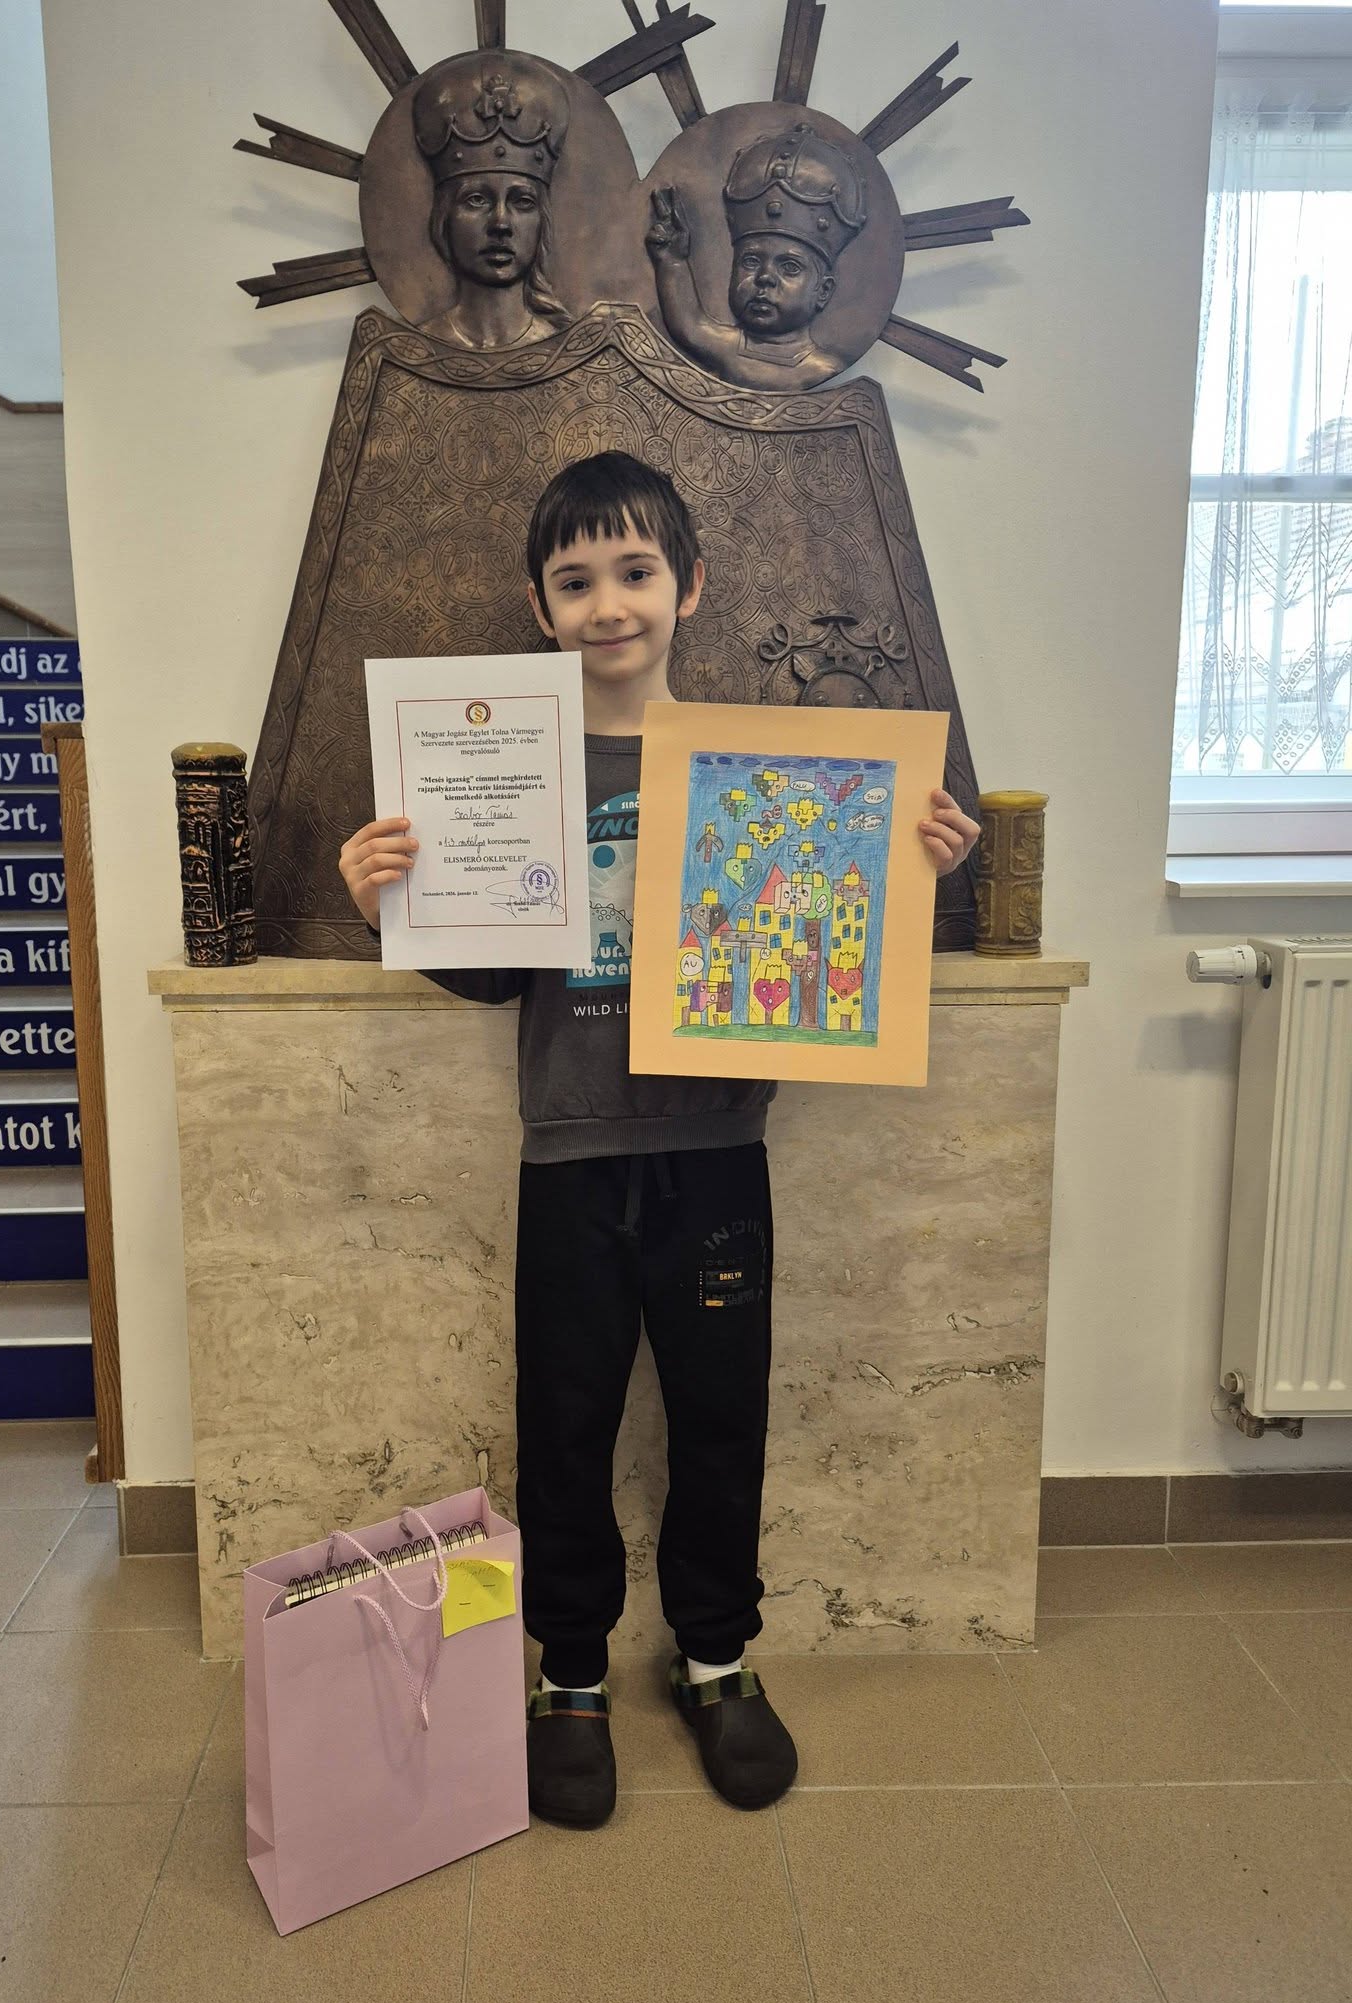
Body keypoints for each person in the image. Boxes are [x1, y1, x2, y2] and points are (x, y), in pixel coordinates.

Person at [338, 452, 978, 1829]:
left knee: (721, 1418)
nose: (608, 604)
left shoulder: (767, 769)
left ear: (690, 585)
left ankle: (716, 1657)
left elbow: (827, 944)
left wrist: (904, 865)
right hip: (569, 1153)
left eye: (635, 572)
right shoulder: (512, 769)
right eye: (576, 581)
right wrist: (388, 901)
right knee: (564, 1426)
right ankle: (569, 1673)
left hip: (716, 1150)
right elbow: (490, 972)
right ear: (541, 605)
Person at [647, 122, 867, 391]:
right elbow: (690, 325)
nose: (764, 277)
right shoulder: (725, 345)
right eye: (750, 261)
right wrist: (672, 260)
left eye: (789, 267)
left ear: (823, 291)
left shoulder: (821, 368)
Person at [413, 53, 571, 350]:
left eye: (522, 202)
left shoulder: (578, 358)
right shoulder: (406, 357)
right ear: (443, 218)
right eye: (476, 200)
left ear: (543, 220)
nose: (501, 223)